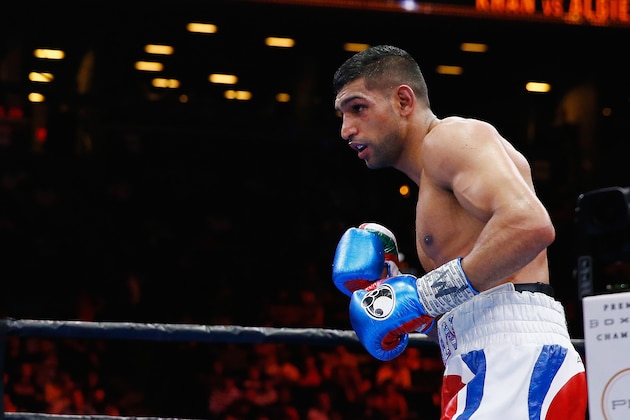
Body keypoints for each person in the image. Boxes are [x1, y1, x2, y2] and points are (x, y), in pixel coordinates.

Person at [330, 45, 587, 419]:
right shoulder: (432, 187)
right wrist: (403, 299)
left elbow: (530, 225)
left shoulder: (451, 138)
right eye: (341, 115)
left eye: (358, 108)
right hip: (481, 360)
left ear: (404, 100)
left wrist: (421, 296)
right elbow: (468, 306)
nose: (346, 129)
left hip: (514, 360)